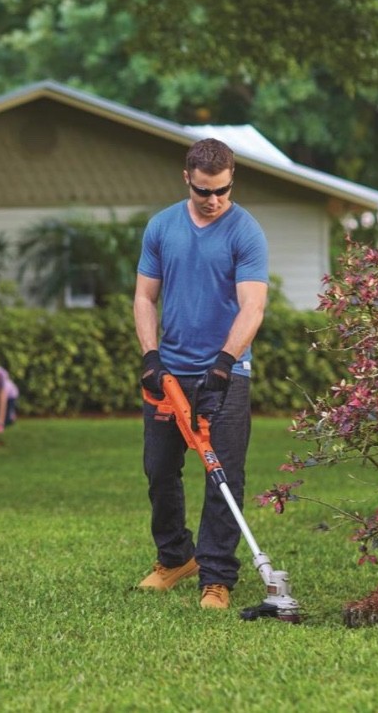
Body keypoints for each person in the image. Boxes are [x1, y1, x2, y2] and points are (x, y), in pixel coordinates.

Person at [133, 138, 269, 610]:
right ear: (186, 178)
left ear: (232, 180)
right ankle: (174, 558)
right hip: (170, 372)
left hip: (225, 372)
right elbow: (145, 297)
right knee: (159, 470)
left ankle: (216, 576)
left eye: (223, 191)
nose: (214, 201)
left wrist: (224, 365)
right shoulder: (162, 226)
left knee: (224, 477)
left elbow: (253, 306)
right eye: (204, 192)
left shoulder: (245, 231)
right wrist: (151, 357)